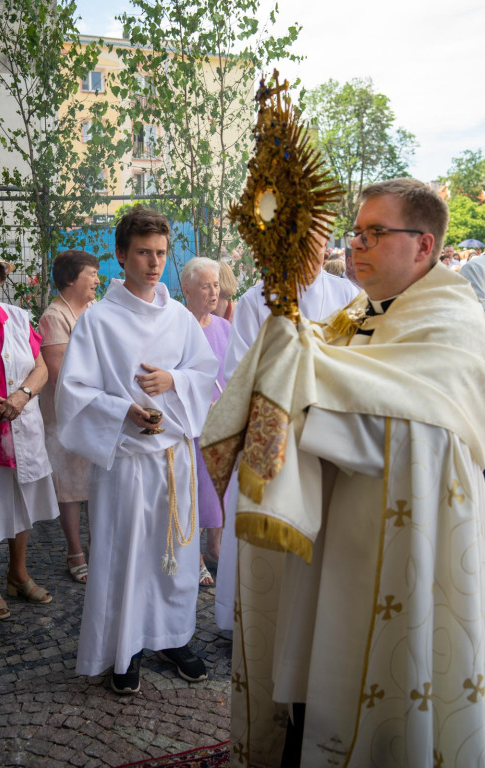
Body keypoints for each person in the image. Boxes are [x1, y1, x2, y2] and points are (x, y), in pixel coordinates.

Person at [201, 178, 485, 766]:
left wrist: (300, 380)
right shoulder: (356, 314)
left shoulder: (454, 326)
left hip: (400, 538)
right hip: (328, 534)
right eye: (356, 232)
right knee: (315, 678)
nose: (356, 244)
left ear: (425, 245)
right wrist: (287, 357)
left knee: (382, 687)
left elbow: (415, 436)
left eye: (375, 232)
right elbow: (324, 379)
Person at [55, 206, 218, 695]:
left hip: (173, 460)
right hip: (125, 462)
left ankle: (173, 636)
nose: (154, 263)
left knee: (174, 554)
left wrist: (175, 380)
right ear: (121, 255)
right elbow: (75, 391)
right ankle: (124, 648)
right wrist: (123, 410)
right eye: (143, 253)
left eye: (161, 253)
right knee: (126, 555)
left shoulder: (180, 319)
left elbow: (204, 373)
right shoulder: (99, 321)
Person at [214, 249, 359, 631]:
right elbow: (238, 372)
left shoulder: (348, 296)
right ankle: (256, 622)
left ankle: (321, 626)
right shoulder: (254, 299)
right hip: (274, 440)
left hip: (332, 440)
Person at [0, 243, 58, 620]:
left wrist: (23, 395)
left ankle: (18, 573)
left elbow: (40, 368)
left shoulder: (19, 318)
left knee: (22, 500)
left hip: (19, 426)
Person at [38, 250, 100, 584]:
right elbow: (59, 371)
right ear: (71, 278)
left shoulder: (94, 310)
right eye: (91, 273)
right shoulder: (54, 316)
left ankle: (97, 545)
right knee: (70, 485)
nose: (97, 280)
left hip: (95, 411)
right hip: (66, 415)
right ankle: (75, 551)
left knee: (95, 480)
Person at [181, 257, 231, 587]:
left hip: (222, 423)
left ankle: (215, 548)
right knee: (195, 489)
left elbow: (232, 372)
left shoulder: (224, 326)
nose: (213, 292)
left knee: (221, 489)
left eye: (216, 285)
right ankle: (194, 556)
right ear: (186, 290)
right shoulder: (178, 326)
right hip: (192, 425)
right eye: (205, 286)